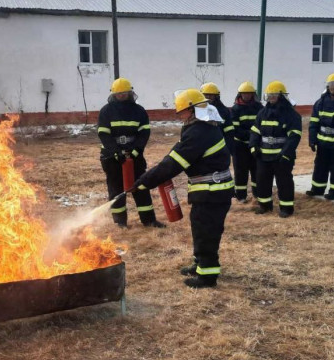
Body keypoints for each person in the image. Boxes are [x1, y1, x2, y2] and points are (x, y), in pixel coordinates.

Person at [134, 89, 233, 288]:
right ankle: (200, 264)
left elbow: (173, 163)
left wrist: (144, 183)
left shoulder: (199, 132)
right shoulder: (199, 128)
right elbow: (173, 155)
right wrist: (146, 178)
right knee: (200, 228)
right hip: (209, 191)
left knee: (206, 231)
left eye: (181, 112)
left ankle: (207, 276)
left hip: (212, 192)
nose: (179, 116)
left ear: (192, 110)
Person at [97, 78, 165, 228]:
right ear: (113, 94)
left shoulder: (139, 111)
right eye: (118, 94)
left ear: (130, 93)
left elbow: (144, 133)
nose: (121, 96)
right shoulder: (106, 111)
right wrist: (116, 152)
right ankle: (120, 222)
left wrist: (136, 150)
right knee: (116, 189)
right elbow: (104, 135)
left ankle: (149, 220)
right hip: (111, 156)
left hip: (135, 155)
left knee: (141, 186)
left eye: (124, 93)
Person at [249, 81, 302, 217]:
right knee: (262, 181)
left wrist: (286, 154)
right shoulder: (262, 113)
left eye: (274, 95)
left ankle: (286, 208)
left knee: (284, 183)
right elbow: (255, 131)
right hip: (263, 156)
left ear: (281, 96)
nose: (271, 98)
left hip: (281, 157)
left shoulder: (291, 114)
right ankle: (265, 206)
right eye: (269, 95)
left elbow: (294, 136)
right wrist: (253, 147)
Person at [230, 81, 263, 203]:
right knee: (240, 171)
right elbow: (235, 129)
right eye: (244, 94)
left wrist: (255, 138)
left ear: (253, 94)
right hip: (240, 146)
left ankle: (257, 193)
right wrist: (252, 135)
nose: (247, 96)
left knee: (256, 170)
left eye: (249, 93)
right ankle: (241, 196)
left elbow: (262, 124)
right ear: (240, 94)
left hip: (255, 145)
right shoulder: (235, 109)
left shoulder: (259, 108)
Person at [200, 82, 235, 154]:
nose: (208, 98)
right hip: (201, 147)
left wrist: (228, 149)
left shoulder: (223, 111)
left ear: (216, 96)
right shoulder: (197, 110)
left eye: (211, 95)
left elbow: (229, 131)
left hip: (219, 147)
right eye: (206, 95)